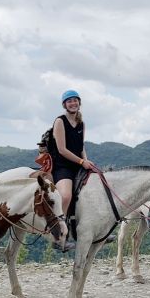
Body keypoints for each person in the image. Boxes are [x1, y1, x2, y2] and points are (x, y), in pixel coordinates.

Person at [52, 90, 95, 249]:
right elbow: (62, 149)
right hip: (62, 166)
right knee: (65, 196)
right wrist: (82, 161)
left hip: (79, 164)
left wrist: (86, 161)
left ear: (79, 102)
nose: (73, 103)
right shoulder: (60, 121)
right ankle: (58, 236)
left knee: (96, 190)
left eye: (75, 100)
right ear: (64, 105)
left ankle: (97, 231)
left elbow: (80, 146)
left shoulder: (81, 123)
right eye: (69, 101)